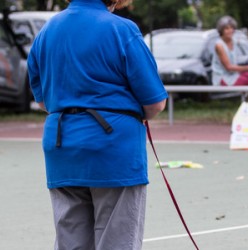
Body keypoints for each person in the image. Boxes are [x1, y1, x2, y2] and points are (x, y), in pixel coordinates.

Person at [27, 0, 168, 249]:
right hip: (113, 147)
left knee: (70, 239)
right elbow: (155, 102)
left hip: (62, 146)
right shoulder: (122, 29)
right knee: (117, 239)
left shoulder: (46, 32)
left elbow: (42, 101)